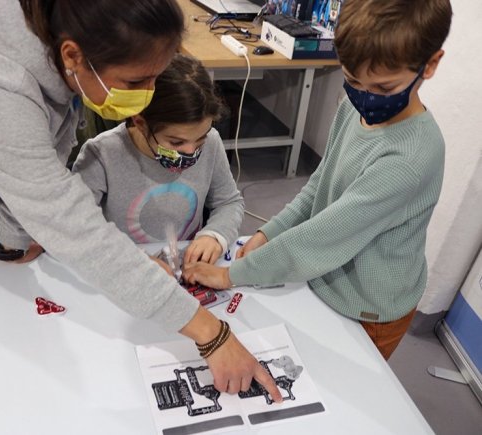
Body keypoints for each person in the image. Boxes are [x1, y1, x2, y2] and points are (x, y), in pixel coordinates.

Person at [0, 0, 282, 399]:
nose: (147, 94)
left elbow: (45, 147)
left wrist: (14, 235)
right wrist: (211, 335)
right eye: (136, 80)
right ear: (72, 56)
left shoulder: (55, 46)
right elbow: (74, 227)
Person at [183, 0, 452, 360]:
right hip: (327, 278)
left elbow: (327, 235)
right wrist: (270, 231)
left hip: (368, 306)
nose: (365, 97)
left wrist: (231, 275)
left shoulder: (409, 158)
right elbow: (320, 184)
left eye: (384, 88)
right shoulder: (354, 107)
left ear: (430, 65)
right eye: (352, 81)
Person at [72, 54, 244, 266]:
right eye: (176, 142)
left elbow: (229, 202)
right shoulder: (101, 155)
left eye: (200, 139)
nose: (190, 151)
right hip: (123, 264)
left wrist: (215, 235)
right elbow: (77, 224)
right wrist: (135, 262)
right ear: (141, 123)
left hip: (186, 261)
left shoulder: (212, 143)